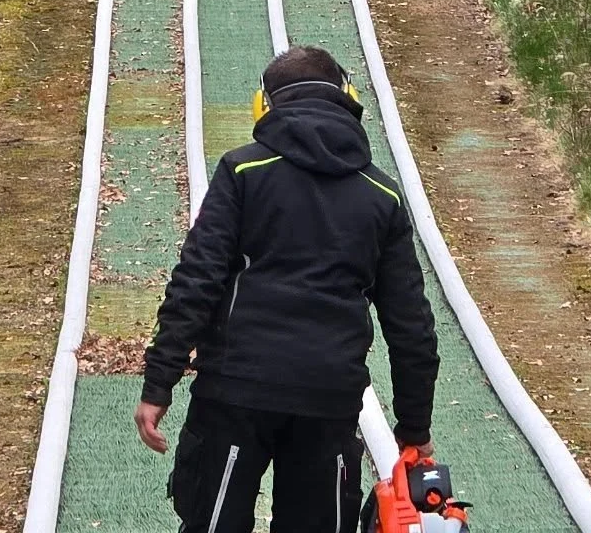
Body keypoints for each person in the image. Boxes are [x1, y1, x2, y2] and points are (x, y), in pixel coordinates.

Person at [135, 44, 440, 533]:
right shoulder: (382, 195)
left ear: (266, 105)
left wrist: (159, 383)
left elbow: (196, 281)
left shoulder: (242, 172)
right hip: (329, 401)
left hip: (235, 393)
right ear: (349, 100)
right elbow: (412, 330)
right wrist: (414, 430)